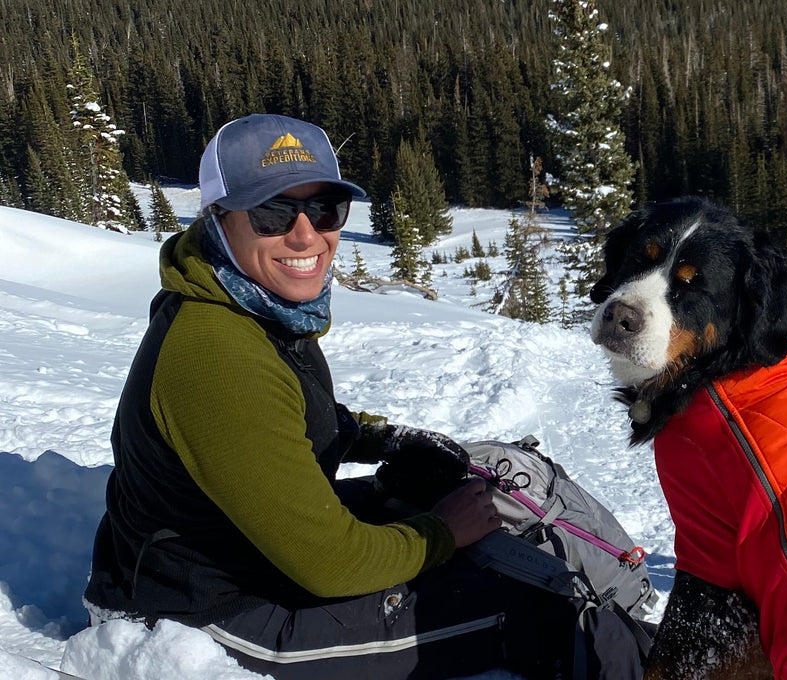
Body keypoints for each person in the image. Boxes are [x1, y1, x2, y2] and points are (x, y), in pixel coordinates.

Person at [83, 114, 580, 680]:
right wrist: (442, 532)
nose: (305, 235)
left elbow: (288, 414)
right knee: (540, 609)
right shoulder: (218, 351)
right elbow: (332, 565)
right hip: (195, 616)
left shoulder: (251, 303)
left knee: (445, 506)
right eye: (272, 211)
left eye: (325, 209)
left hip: (245, 558)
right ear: (217, 219)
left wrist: (383, 440)